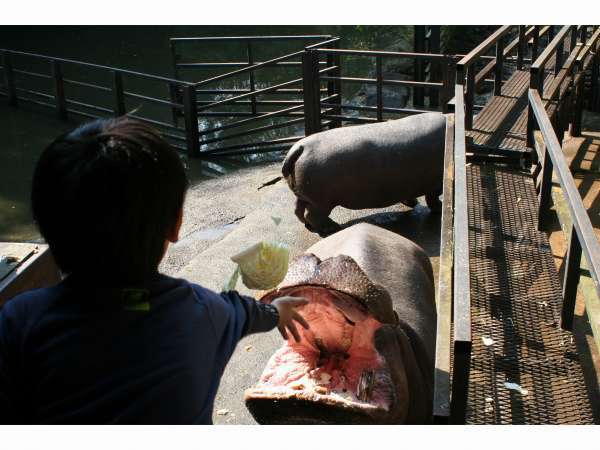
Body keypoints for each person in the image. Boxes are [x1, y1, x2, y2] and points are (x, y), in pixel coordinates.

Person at [0, 117, 309, 424]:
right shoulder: (202, 312)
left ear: (46, 228)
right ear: (176, 225)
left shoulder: (20, 320)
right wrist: (277, 312)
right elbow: (241, 310)